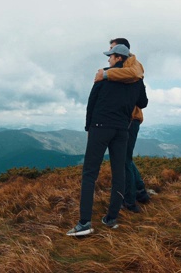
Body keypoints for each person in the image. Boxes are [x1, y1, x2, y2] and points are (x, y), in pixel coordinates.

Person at [66, 44, 148, 237]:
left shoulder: (104, 75)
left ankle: (84, 223)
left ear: (118, 57)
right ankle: (111, 218)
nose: (108, 60)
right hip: (122, 130)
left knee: (89, 174)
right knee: (118, 173)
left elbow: (91, 103)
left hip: (100, 128)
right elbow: (143, 103)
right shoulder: (136, 79)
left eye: (110, 56)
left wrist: (88, 127)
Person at [95, 38, 150, 212]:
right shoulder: (124, 67)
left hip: (130, 119)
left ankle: (130, 201)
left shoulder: (134, 64)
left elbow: (135, 76)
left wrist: (105, 74)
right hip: (126, 119)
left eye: (112, 50)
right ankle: (140, 192)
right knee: (126, 159)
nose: (110, 54)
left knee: (123, 160)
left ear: (122, 51)